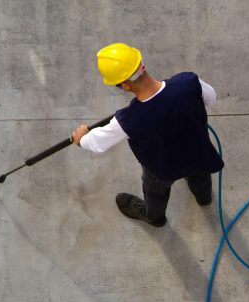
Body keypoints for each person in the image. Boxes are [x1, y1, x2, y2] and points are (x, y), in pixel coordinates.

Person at [71, 43, 224, 227]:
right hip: (198, 153)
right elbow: (211, 97)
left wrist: (81, 138)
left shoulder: (126, 120)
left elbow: (96, 143)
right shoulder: (188, 82)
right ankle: (204, 198)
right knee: (200, 176)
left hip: (162, 168)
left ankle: (154, 217)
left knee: (156, 192)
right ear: (142, 64)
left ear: (125, 86)